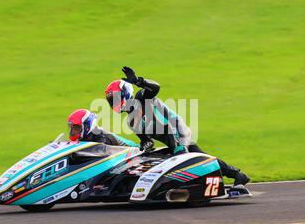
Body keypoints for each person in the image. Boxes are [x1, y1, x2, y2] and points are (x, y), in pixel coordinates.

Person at [104, 66, 250, 186]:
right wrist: (143, 148)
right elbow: (147, 140)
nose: (114, 103)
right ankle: (237, 175)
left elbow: (155, 87)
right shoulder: (130, 122)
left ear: (125, 94)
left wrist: (138, 81)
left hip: (178, 131)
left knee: (184, 158)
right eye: (111, 100)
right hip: (170, 140)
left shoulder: (142, 97)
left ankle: (197, 182)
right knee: (199, 155)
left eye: (115, 98)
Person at [67, 108, 139, 147]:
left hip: (135, 151)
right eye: (71, 128)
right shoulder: (85, 137)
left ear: (87, 127)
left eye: (76, 128)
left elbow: (98, 157)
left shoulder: (100, 137)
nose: (73, 132)